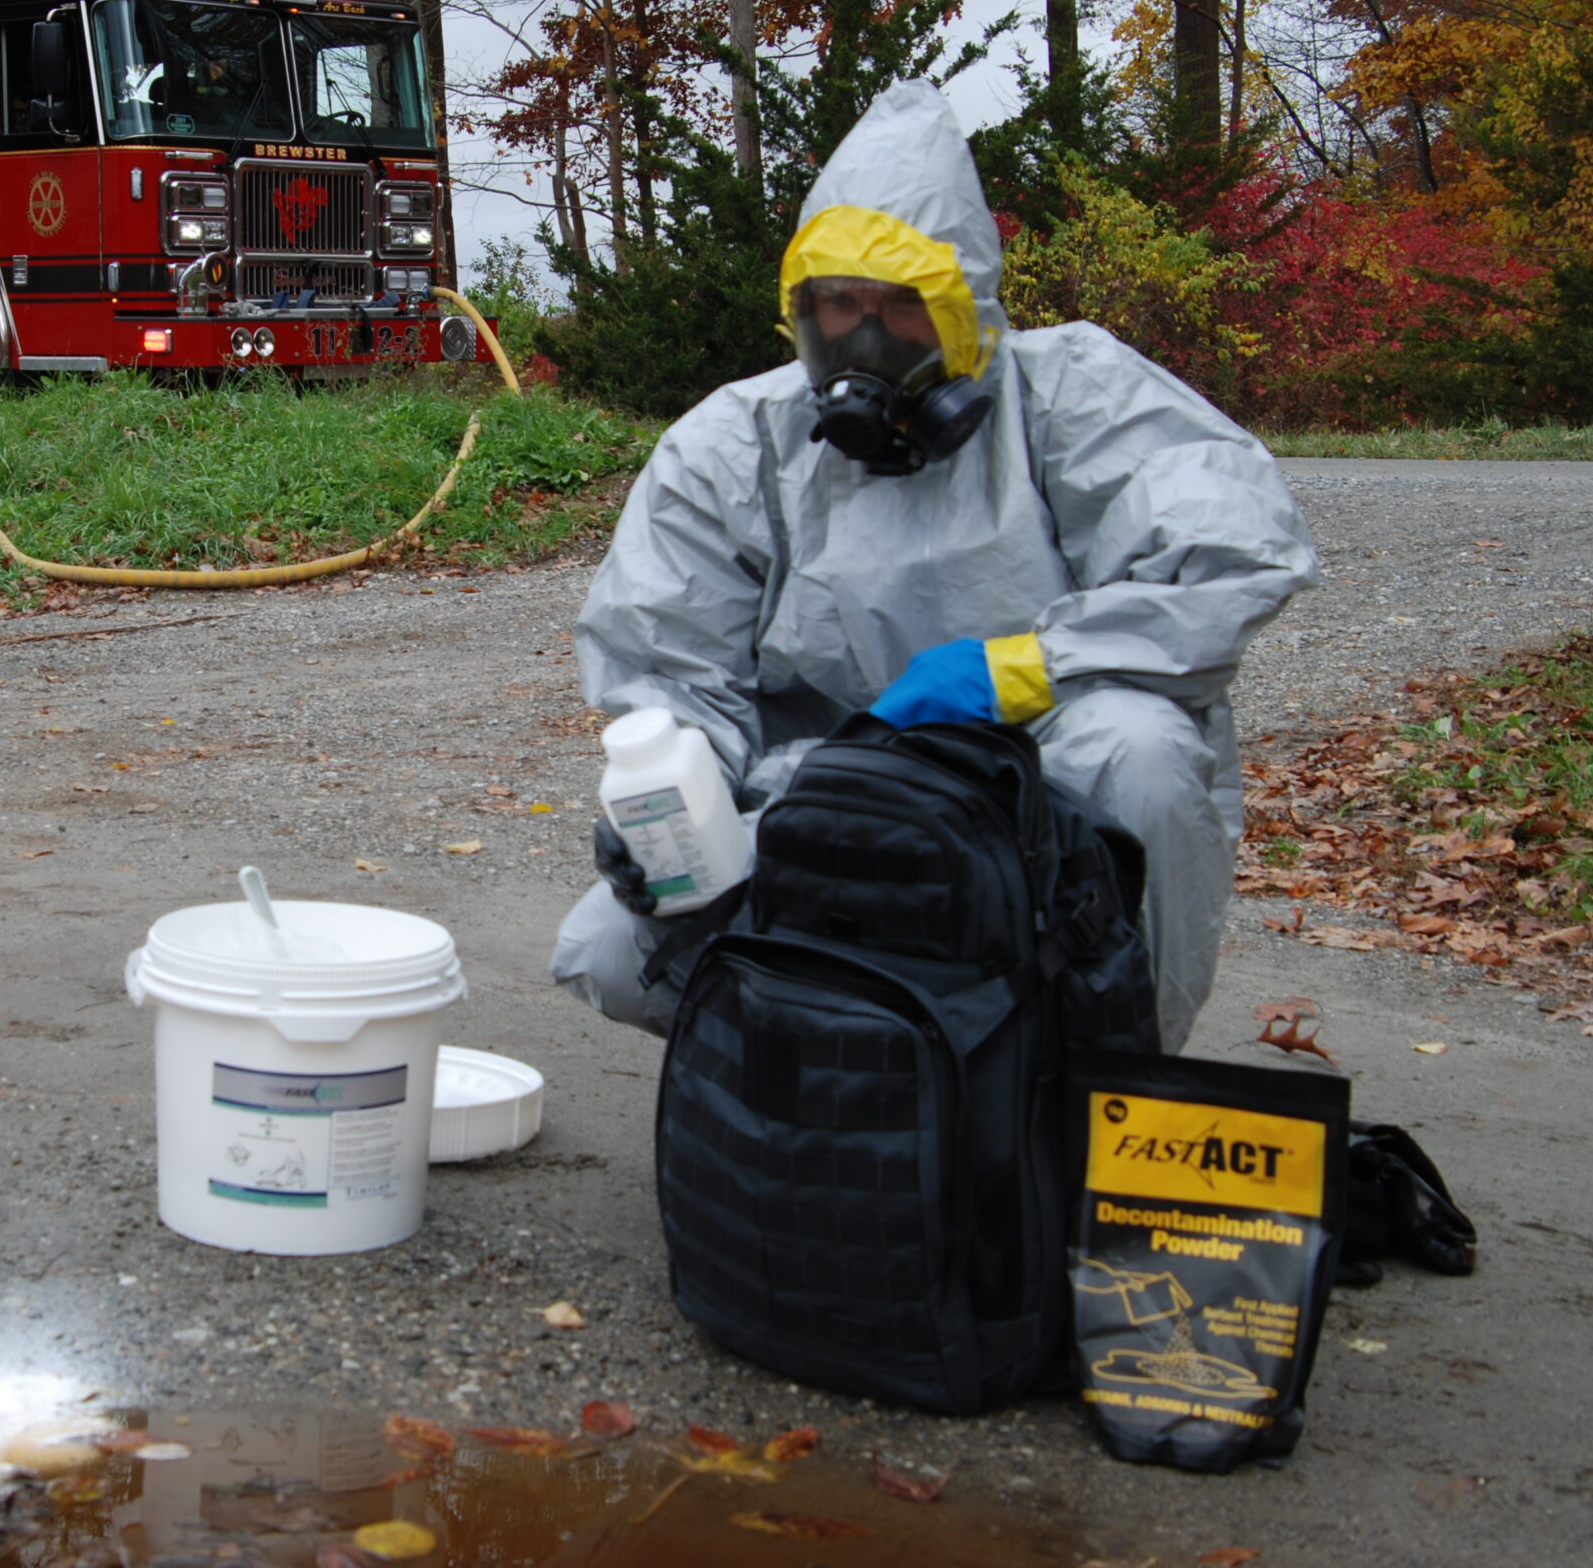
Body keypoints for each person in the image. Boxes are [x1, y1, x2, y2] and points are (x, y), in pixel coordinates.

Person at [552, 81, 1318, 1052]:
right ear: (800, 308)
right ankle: (837, 1063)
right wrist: (670, 804)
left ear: (965, 309)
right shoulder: (734, 441)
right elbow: (668, 666)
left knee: (1144, 751)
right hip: (822, 794)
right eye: (838, 302)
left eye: (901, 307)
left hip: (1040, 800)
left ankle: (1107, 1076)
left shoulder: (1072, 394)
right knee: (611, 950)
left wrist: (1017, 673)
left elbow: (1234, 553)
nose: (864, 338)